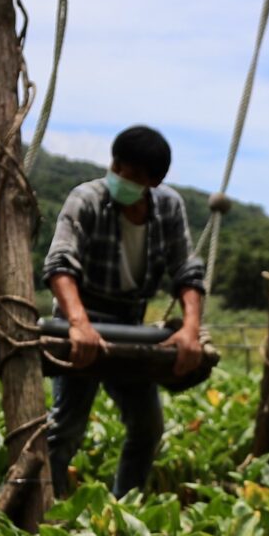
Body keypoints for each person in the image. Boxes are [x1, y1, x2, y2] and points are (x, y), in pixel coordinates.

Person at [42, 125, 208, 497]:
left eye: (131, 175)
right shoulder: (86, 199)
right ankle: (43, 513)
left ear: (153, 181)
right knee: (66, 428)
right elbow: (60, 264)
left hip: (132, 323)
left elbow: (186, 269)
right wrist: (79, 324)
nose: (119, 179)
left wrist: (191, 329)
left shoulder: (168, 207)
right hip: (80, 316)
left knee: (147, 427)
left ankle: (124, 509)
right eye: (116, 167)